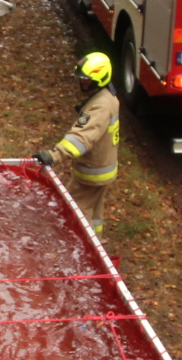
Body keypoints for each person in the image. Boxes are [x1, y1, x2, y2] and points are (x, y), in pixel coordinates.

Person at [34, 52, 120, 234]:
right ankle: (97, 241)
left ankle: (85, 245)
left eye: (87, 79)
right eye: (82, 78)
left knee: (76, 212)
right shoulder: (107, 96)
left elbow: (81, 138)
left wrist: (53, 155)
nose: (83, 82)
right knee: (94, 211)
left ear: (100, 78)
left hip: (92, 172)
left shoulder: (100, 106)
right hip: (103, 168)